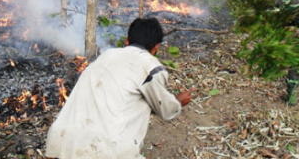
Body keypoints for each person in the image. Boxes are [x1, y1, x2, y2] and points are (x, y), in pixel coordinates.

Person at [45, 18, 196, 159]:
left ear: (127, 41)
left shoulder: (106, 56)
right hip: (101, 150)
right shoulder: (151, 67)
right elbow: (166, 110)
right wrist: (178, 102)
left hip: (61, 143)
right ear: (157, 47)